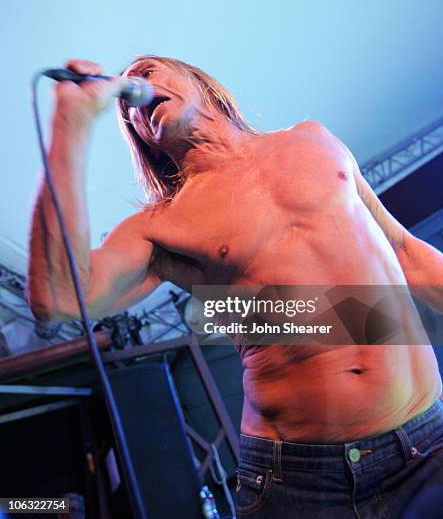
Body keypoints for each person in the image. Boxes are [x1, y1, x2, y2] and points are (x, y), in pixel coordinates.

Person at [28, 57, 443, 518]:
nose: (135, 98)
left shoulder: (312, 140)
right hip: (305, 481)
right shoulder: (159, 225)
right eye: (127, 111)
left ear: (198, 81)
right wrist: (72, 124)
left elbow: (404, 250)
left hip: (428, 441)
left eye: (146, 71)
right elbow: (58, 299)